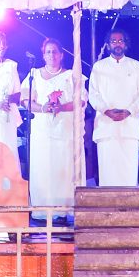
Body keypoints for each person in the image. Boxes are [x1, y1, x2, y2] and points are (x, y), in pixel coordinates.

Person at [21, 37, 84, 208]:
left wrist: (61, 107)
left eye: (55, 51)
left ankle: (63, 210)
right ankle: (42, 210)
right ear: (43, 55)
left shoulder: (71, 75)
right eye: (48, 52)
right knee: (42, 169)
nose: (51, 55)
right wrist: (43, 108)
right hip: (42, 131)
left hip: (64, 131)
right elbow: (25, 100)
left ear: (61, 55)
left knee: (62, 170)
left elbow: (82, 101)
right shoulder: (33, 74)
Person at [88, 29, 139, 186]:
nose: (117, 44)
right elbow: (93, 95)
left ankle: (130, 208)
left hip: (129, 125)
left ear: (125, 44)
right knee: (108, 171)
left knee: (128, 172)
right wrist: (107, 111)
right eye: (114, 41)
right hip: (105, 126)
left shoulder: (135, 66)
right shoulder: (99, 67)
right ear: (108, 45)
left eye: (120, 41)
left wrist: (129, 110)